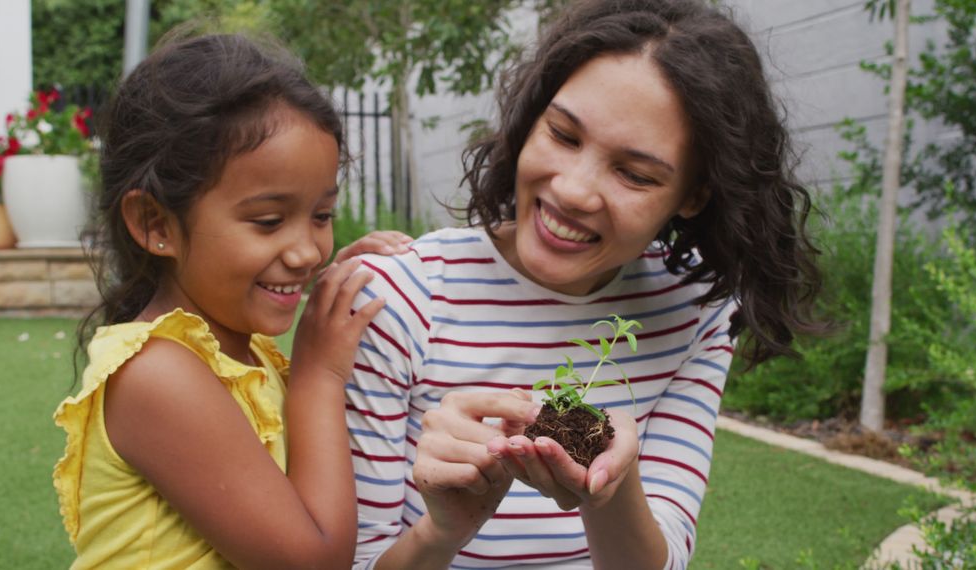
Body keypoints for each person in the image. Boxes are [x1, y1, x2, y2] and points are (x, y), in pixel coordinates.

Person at [334, 0, 825, 568]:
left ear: (694, 196)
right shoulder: (397, 299)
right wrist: (441, 531)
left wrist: (611, 485)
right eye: (564, 135)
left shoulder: (697, 314)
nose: (573, 190)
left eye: (635, 174)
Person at [51, 33, 412, 569]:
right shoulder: (157, 375)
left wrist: (332, 286)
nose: (307, 250)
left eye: (321, 216)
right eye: (269, 221)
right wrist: (318, 376)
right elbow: (313, 562)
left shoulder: (245, 353)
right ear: (156, 224)